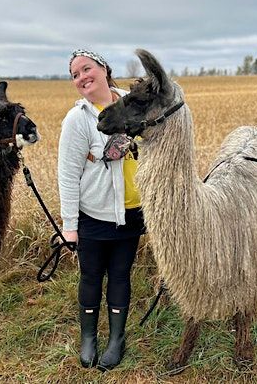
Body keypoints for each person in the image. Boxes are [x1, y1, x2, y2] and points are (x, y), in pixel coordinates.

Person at [58, 49, 145, 371]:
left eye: (86, 68)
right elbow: (67, 175)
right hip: (93, 214)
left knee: (121, 276)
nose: (82, 77)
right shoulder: (77, 119)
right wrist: (69, 225)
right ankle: (89, 338)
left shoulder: (135, 104)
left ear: (104, 69)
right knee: (91, 276)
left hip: (133, 211)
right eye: (75, 75)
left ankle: (116, 339)